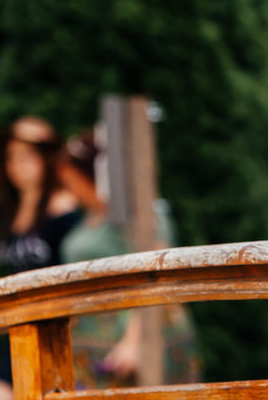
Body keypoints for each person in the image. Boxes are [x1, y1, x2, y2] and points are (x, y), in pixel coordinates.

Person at [54, 132, 201, 390]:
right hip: (91, 345)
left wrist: (135, 341)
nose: (71, 190)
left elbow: (156, 274)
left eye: (72, 181)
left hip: (137, 335)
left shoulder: (139, 212)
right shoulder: (88, 217)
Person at [0, 117, 82, 400]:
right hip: (19, 328)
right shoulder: (13, 210)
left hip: (59, 330)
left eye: (27, 156)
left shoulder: (64, 206)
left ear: (46, 157)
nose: (18, 165)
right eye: (12, 157)